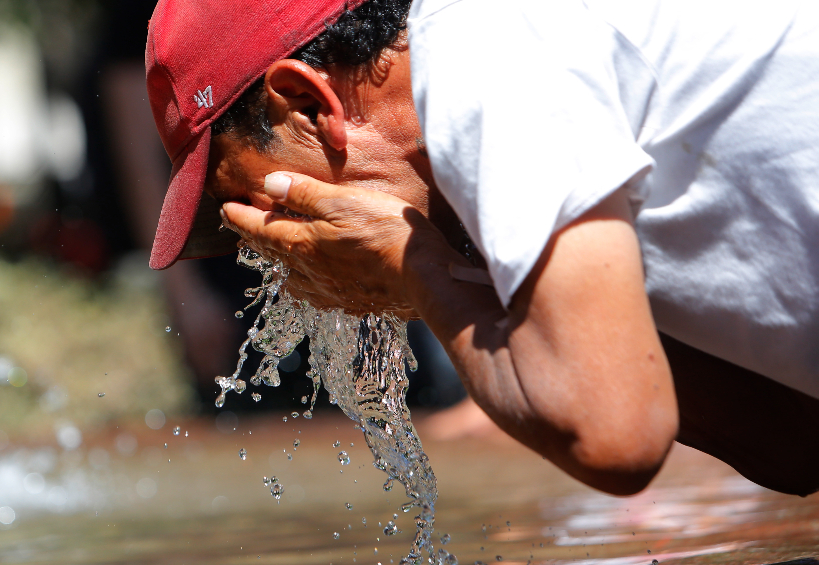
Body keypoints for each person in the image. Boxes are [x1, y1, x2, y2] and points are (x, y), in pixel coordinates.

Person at [141, 0, 819, 497]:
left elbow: (618, 440)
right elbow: (793, 443)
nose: (269, 242)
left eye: (259, 199)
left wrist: (422, 275)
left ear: (310, 105)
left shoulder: (479, 50)